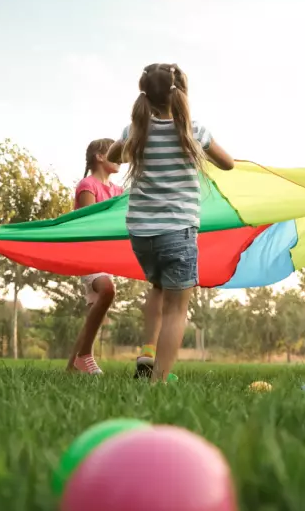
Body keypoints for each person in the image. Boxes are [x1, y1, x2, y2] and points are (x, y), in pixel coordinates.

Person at [106, 63, 235, 382]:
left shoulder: (135, 130)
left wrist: (132, 139)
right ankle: (158, 382)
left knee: (158, 286)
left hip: (141, 233)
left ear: (145, 95)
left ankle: (147, 352)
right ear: (181, 94)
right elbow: (228, 163)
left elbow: (113, 155)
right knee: (178, 309)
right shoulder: (194, 130)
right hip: (178, 230)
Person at [65, 138, 124, 375]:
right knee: (108, 290)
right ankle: (86, 356)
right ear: (100, 156)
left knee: (93, 314)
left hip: (105, 258)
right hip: (87, 254)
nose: (119, 158)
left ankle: (72, 367)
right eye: (114, 152)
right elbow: (89, 223)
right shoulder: (87, 185)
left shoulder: (118, 191)